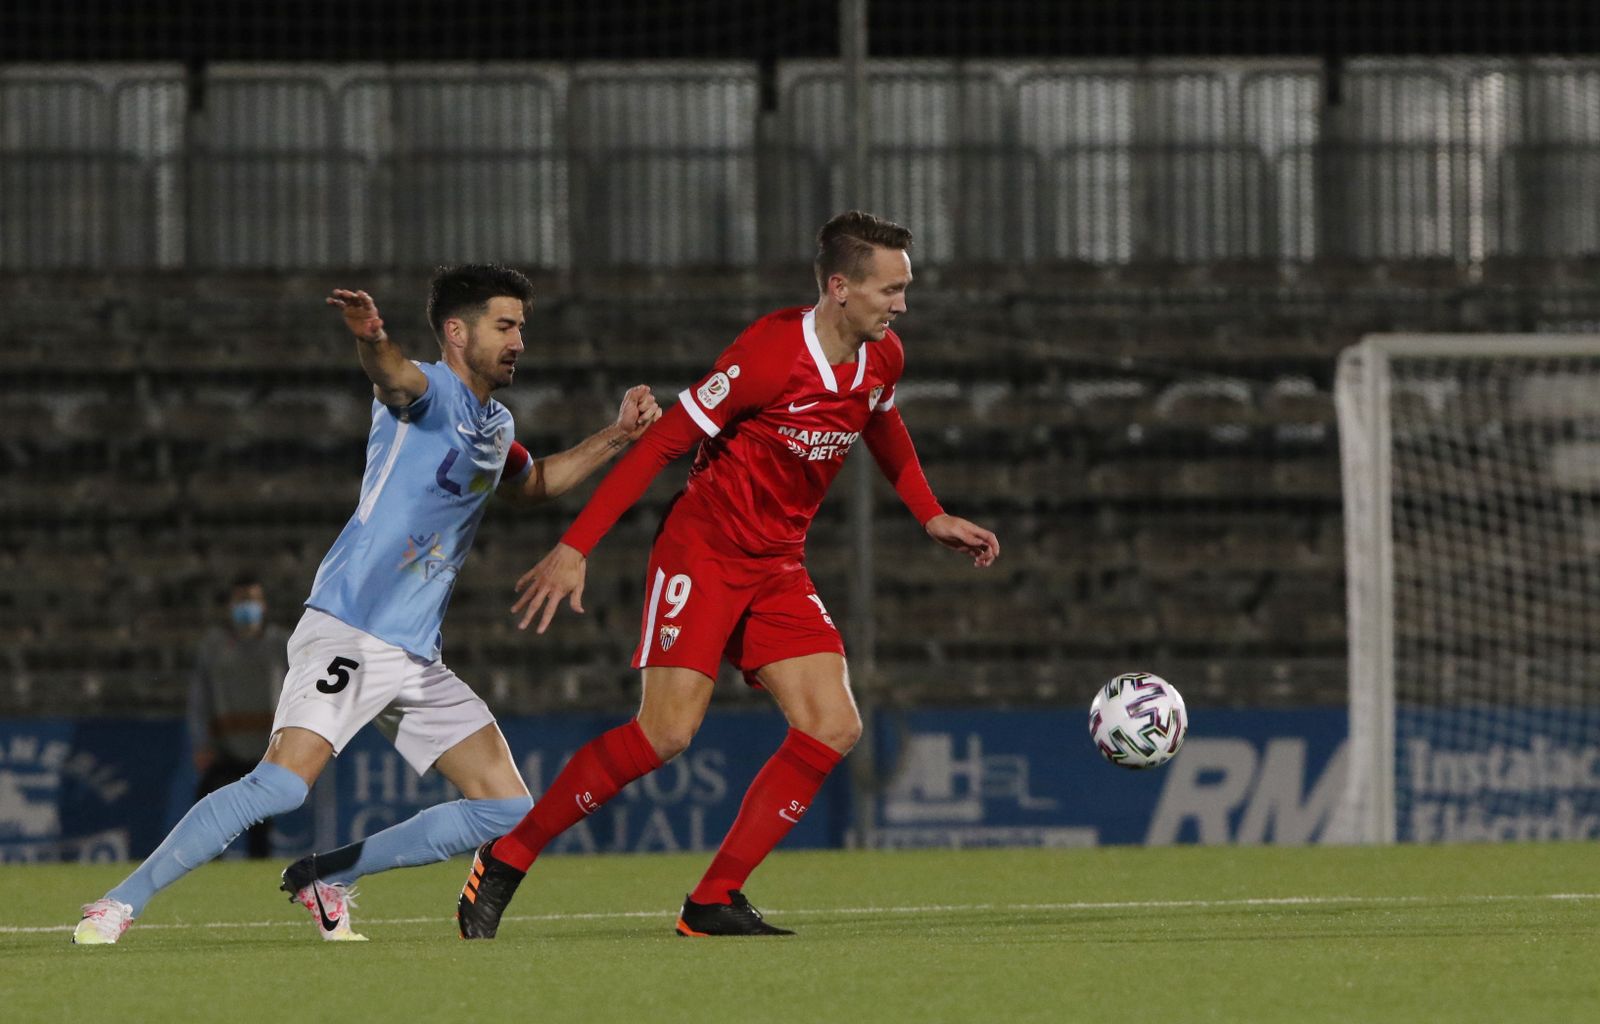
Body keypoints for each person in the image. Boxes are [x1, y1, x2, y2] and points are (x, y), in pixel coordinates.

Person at [73, 264, 661, 945]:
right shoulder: (428, 389)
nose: (518, 341)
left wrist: (619, 435)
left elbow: (535, 485)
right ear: (455, 331)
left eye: (521, 328)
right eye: (504, 326)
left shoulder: (495, 424)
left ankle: (323, 876)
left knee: (503, 806)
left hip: (414, 655)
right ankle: (117, 903)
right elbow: (392, 377)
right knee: (281, 787)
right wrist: (371, 338)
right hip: (351, 629)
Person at [456, 212, 1000, 939]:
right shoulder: (770, 354)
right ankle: (507, 858)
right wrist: (576, 546)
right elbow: (662, 447)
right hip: (703, 553)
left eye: (905, 289)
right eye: (890, 289)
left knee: (833, 724)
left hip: (777, 564)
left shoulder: (883, 358)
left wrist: (929, 513)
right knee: (665, 734)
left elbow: (882, 422)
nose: (901, 303)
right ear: (840, 287)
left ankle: (713, 899)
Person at [188, 573, 289, 859]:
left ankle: (256, 879)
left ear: (264, 605)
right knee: (210, 812)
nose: (247, 606)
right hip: (224, 748)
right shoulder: (214, 646)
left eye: (253, 600)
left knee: (261, 825)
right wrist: (201, 742)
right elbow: (200, 698)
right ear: (230, 605)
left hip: (266, 749)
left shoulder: (280, 644)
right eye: (241, 600)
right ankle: (209, 871)